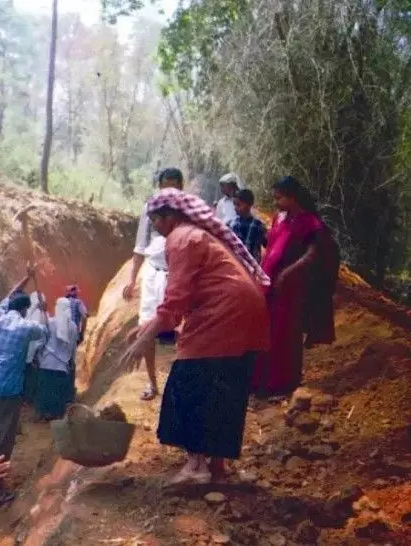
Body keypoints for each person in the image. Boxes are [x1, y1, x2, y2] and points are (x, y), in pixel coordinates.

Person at [120, 188, 270, 484]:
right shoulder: (197, 236)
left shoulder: (181, 239)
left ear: (169, 217)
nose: (156, 228)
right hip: (245, 313)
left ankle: (196, 465)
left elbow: (176, 301)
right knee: (224, 388)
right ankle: (217, 466)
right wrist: (150, 326)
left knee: (189, 380)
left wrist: (144, 338)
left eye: (155, 221)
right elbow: (181, 302)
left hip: (223, 314)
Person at [252, 176, 339, 396]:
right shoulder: (279, 219)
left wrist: (290, 272)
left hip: (290, 289)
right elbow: (272, 246)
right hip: (269, 284)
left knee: (285, 334)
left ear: (292, 197)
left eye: (279, 198)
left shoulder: (310, 223)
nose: (276, 202)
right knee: (265, 332)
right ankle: (261, 379)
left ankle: (283, 382)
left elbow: (315, 253)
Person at [0, 266, 48, 508]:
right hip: (9, 390)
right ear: (24, 310)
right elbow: (44, 332)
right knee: (4, 440)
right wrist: (41, 311)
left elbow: (9, 295)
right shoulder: (25, 327)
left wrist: (25, 278)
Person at [123, 168, 183, 401]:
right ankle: (152, 383)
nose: (169, 190)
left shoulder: (185, 211)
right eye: (165, 185)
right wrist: (131, 279)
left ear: (180, 186)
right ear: (159, 186)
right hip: (152, 275)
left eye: (174, 186)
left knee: (182, 330)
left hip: (177, 274)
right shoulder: (150, 208)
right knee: (147, 326)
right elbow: (140, 246)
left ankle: (178, 384)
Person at [35, 297, 79, 421]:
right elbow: (72, 346)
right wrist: (71, 360)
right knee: (58, 392)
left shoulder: (51, 322)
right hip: (62, 365)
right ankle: (56, 416)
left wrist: (37, 354)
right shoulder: (73, 326)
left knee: (45, 390)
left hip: (47, 363)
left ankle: (43, 414)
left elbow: (42, 338)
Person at [228, 188, 267, 262]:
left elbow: (267, 244)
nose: (235, 208)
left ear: (250, 204)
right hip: (235, 263)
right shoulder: (232, 224)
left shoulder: (258, 225)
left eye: (239, 204)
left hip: (252, 264)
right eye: (234, 204)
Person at [23, 291, 47, 405]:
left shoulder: (29, 312)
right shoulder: (41, 314)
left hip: (27, 350)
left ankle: (27, 397)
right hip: (35, 351)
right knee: (32, 374)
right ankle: (29, 397)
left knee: (27, 374)